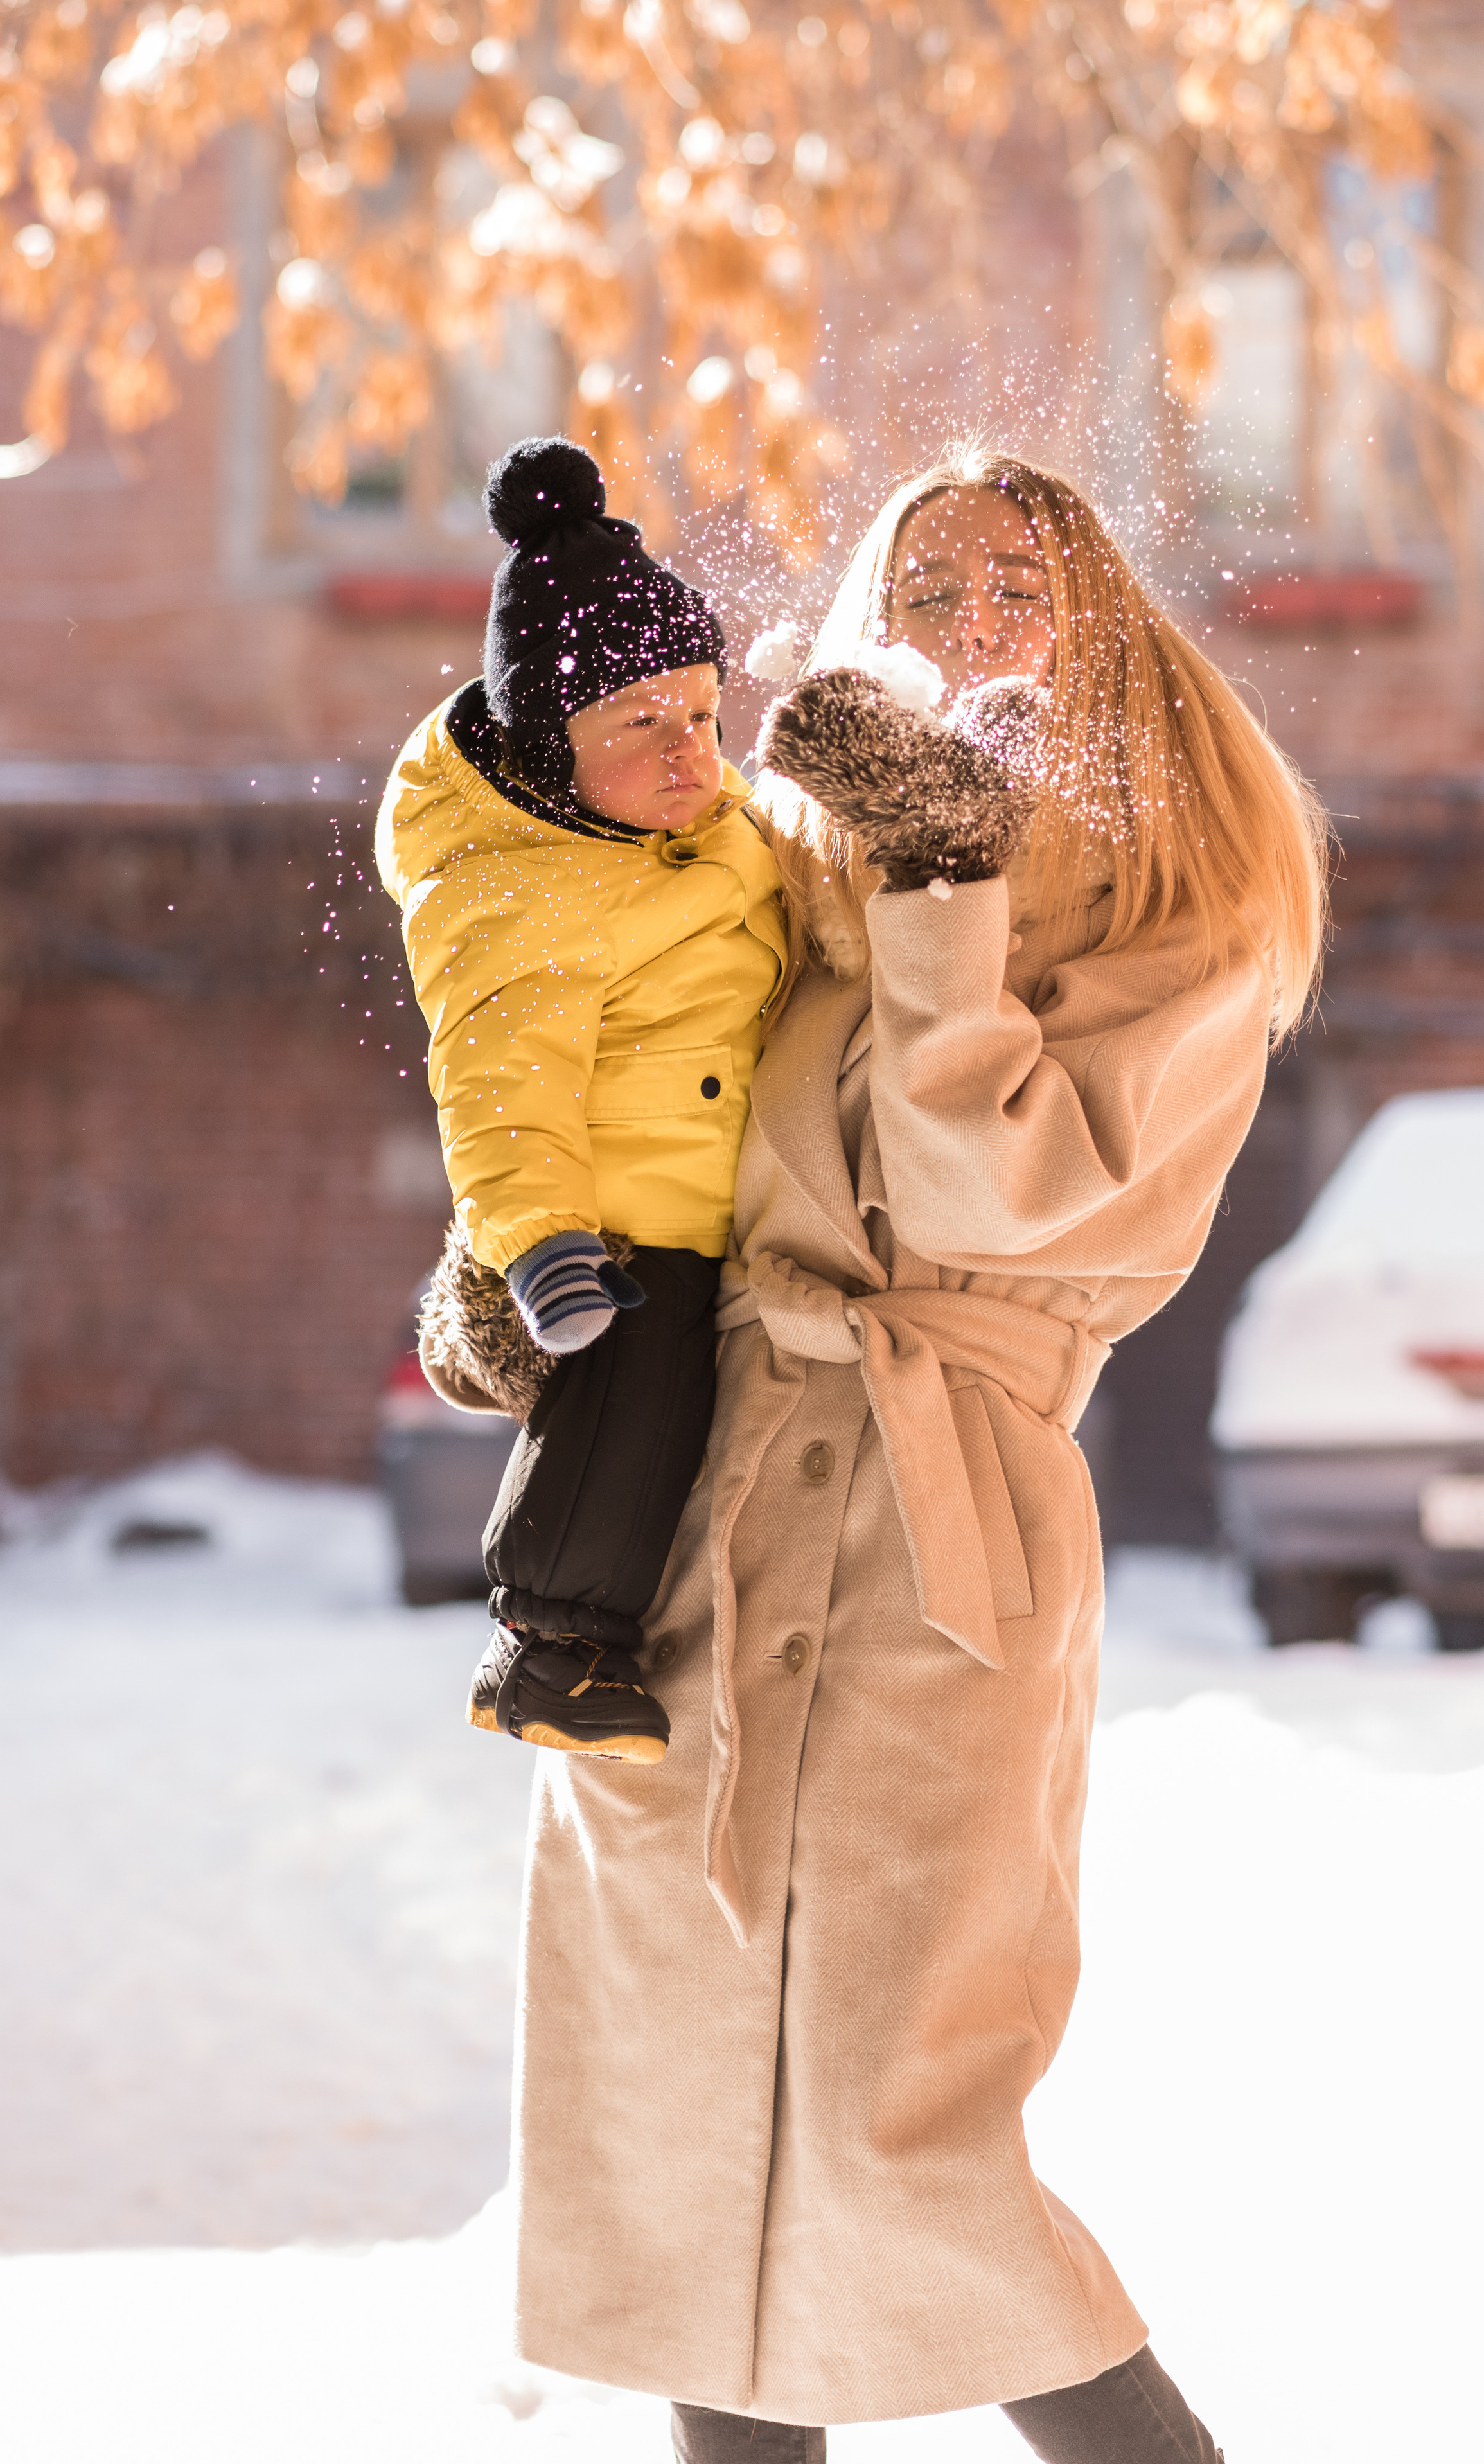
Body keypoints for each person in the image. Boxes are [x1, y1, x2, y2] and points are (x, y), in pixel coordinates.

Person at [457, 448, 1327, 2460]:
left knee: (904, 2136)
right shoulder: (765, 877)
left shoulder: (1179, 920)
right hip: (692, 1531)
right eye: (920, 585)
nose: (966, 621)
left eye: (1018, 583)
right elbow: (645, 1127)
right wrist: (523, 1281)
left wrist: (948, 889)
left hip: (950, 1535)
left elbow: (999, 1202)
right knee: (682, 2124)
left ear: (1105, 637)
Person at [378, 436, 786, 1764]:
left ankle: (579, 1636)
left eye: (701, 717)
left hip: (717, 1201)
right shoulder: (512, 891)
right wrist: (541, 1243)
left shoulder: (715, 830)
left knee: (679, 1429)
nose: (689, 758)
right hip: (616, 1228)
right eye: (640, 728)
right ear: (551, 751)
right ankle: (549, 1644)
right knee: (625, 1411)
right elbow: (499, 1082)